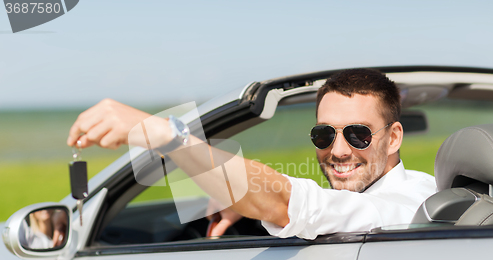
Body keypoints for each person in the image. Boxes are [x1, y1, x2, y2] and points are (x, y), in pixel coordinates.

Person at [67, 69, 436, 240]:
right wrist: (244, 201)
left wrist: (162, 133)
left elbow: (287, 201)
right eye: (324, 134)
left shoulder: (407, 209)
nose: (338, 150)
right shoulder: (418, 189)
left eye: (358, 135)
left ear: (393, 138)